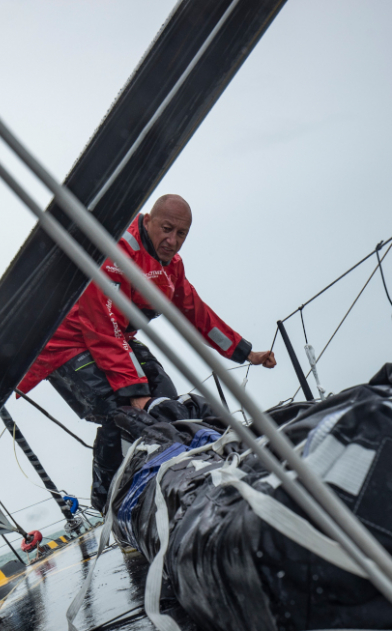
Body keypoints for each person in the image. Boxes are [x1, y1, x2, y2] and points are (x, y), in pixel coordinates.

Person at [17, 194, 276, 509]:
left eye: (181, 234)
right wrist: (133, 389)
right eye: (166, 229)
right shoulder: (116, 254)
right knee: (121, 411)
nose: (172, 240)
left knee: (164, 398)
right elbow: (100, 324)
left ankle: (166, 478)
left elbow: (197, 313)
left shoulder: (171, 267)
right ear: (149, 220)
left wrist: (245, 352)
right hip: (67, 343)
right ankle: (109, 502)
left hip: (115, 335)